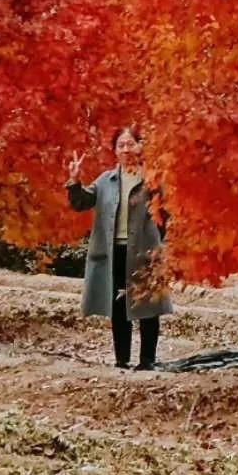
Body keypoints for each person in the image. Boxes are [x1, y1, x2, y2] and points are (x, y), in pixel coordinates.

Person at [67, 126, 172, 370]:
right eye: (121, 145)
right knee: (118, 308)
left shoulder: (152, 180)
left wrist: (160, 244)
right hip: (114, 251)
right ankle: (121, 360)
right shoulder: (106, 180)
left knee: (147, 306)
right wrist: (74, 181)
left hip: (145, 252)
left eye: (130, 143)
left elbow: (166, 215)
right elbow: (81, 202)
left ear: (139, 146)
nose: (126, 149)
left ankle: (147, 361)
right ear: (115, 151)